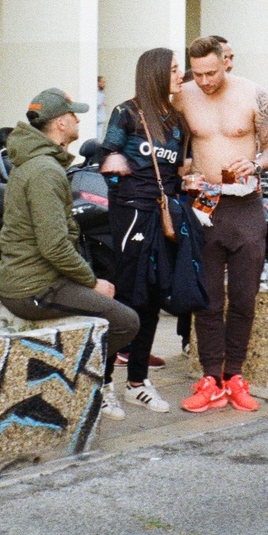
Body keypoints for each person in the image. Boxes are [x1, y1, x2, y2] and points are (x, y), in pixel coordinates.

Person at [0, 88, 140, 420]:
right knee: (125, 322)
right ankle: (74, 383)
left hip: (36, 280)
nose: (78, 119)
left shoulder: (35, 163)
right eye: (73, 115)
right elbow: (54, 246)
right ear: (60, 123)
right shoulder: (45, 171)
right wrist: (91, 283)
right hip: (33, 289)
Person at [175, 36, 268, 413]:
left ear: (226, 63)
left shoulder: (253, 94)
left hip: (246, 205)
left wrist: (255, 164)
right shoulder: (183, 95)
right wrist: (184, 175)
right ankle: (209, 377)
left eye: (211, 72)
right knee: (207, 298)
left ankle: (234, 375)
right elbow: (177, 150)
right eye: (198, 73)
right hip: (205, 204)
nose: (205, 81)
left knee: (243, 296)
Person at [98, 50, 185, 412]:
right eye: (175, 69)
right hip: (130, 214)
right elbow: (107, 156)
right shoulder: (126, 112)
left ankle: (137, 381)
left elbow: (178, 170)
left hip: (161, 216)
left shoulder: (177, 120)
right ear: (156, 73)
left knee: (152, 296)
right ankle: (102, 385)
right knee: (126, 297)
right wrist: (112, 161)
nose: (181, 75)